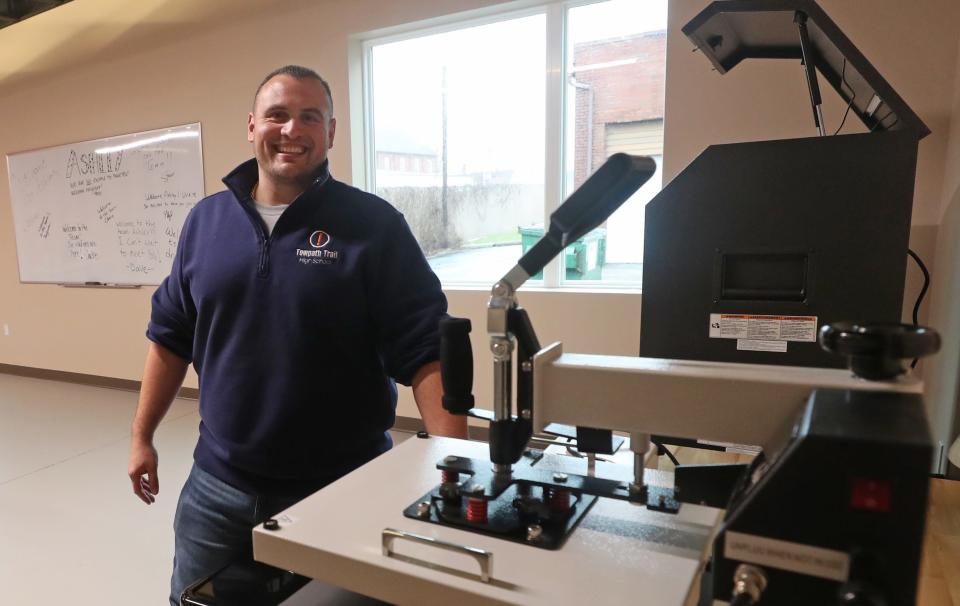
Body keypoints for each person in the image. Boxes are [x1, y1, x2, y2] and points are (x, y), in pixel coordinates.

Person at [126, 65, 467, 606]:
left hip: (344, 487)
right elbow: (171, 336)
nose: (292, 129)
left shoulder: (375, 226)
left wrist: (453, 469)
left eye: (310, 116)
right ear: (251, 126)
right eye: (277, 115)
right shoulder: (205, 223)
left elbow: (426, 349)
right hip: (217, 487)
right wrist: (142, 437)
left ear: (331, 132)